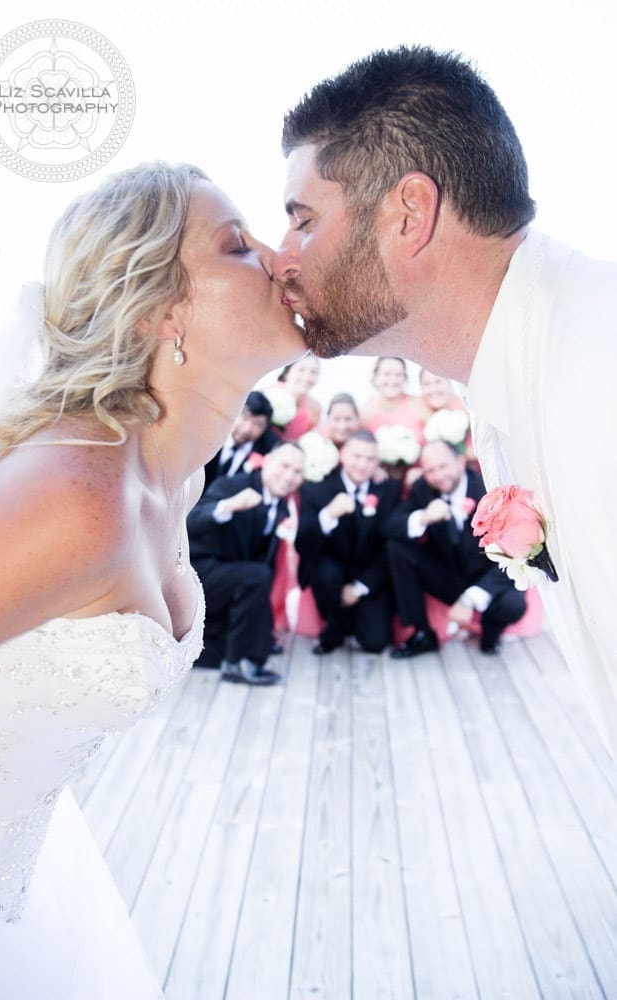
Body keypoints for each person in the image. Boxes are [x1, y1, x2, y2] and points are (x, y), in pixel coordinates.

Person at [0, 161, 305, 997]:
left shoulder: (175, 475)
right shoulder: (76, 498)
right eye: (236, 246)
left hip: (15, 872)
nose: (278, 257)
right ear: (157, 312)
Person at [275, 45, 617, 750]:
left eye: (304, 220)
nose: (282, 258)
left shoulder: (598, 359)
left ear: (409, 214)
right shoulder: (513, 360)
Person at [384, 440, 526, 657]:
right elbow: (389, 526)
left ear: (460, 462)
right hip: (447, 576)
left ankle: (491, 632)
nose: (438, 476)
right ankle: (421, 633)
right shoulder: (423, 488)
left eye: (443, 466)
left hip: (487, 576)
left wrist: (471, 598)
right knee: (396, 548)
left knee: (513, 604)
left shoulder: (488, 490)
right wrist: (423, 517)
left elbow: (515, 553)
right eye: (430, 470)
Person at [188, 441, 305, 684]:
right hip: (198, 571)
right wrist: (229, 506)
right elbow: (191, 520)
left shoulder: (281, 505)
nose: (289, 476)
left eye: (297, 472)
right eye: (284, 466)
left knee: (260, 575)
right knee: (257, 575)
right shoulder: (233, 485)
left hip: (233, 578)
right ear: (268, 461)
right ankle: (237, 663)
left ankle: (247, 652)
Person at [296, 430, 400, 654]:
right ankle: (333, 628)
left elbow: (391, 546)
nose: (363, 465)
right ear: (342, 454)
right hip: (331, 569)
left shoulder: (390, 489)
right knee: (324, 571)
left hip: (370, 574)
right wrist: (328, 515)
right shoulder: (317, 487)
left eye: (370, 459)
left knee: (375, 642)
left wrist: (360, 587)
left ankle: (359, 618)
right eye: (357, 456)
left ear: (378, 461)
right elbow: (303, 544)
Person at [203, 389, 278, 491]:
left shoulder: (265, 452)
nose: (247, 429)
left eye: (257, 424)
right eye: (245, 418)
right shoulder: (209, 434)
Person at [360, 356, 424, 438]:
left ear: (405, 378)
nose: (392, 380)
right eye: (386, 374)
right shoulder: (365, 412)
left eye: (398, 375)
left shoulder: (419, 405)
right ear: (376, 377)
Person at [264, 353, 322, 440]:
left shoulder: (315, 408)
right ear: (287, 373)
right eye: (301, 370)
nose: (307, 377)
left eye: (313, 372)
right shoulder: (266, 395)